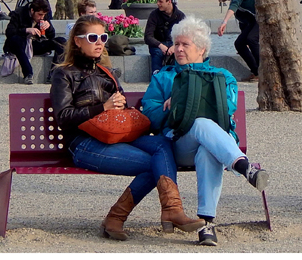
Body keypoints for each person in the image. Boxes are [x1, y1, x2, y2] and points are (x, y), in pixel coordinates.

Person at [50, 15, 203, 241]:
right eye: (92, 38)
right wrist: (102, 107)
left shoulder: (106, 72)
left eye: (103, 37)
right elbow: (63, 117)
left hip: (115, 136)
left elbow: (120, 113)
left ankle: (171, 209)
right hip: (83, 143)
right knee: (155, 164)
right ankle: (120, 216)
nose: (99, 42)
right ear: (77, 41)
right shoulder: (64, 74)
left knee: (162, 145)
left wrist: (120, 104)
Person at [141, 17, 269, 246]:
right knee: (200, 123)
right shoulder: (163, 77)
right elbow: (150, 116)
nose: (178, 49)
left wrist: (189, 100)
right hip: (177, 146)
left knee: (207, 150)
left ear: (201, 49)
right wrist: (174, 107)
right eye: (176, 44)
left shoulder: (222, 77)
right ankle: (244, 167)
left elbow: (227, 109)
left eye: (185, 44)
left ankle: (206, 224)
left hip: (211, 146)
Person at [3, 0, 65, 85]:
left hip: (35, 44)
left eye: (43, 15)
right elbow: (9, 32)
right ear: (32, 11)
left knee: (61, 42)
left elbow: (51, 36)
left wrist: (49, 27)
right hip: (21, 44)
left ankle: (53, 74)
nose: (41, 17)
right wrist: (26, 30)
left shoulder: (43, 16)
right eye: (39, 15)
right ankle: (28, 74)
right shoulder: (19, 13)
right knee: (16, 40)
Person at [214, 0, 259, 80]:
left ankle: (264, 70)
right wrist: (245, 39)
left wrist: (224, 22)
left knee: (252, 39)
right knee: (239, 43)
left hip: (264, 17)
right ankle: (257, 72)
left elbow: (235, 3)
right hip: (255, 21)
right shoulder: (238, 11)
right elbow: (244, 24)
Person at [144, 0, 186, 75]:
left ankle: (178, 75)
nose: (158, 4)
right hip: (158, 44)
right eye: (157, 1)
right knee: (157, 53)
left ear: (169, 2)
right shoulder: (154, 15)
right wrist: (160, 45)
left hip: (174, 44)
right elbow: (148, 37)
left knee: (179, 53)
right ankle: (156, 75)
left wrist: (175, 46)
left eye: (160, 1)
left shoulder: (180, 16)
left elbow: (185, 36)